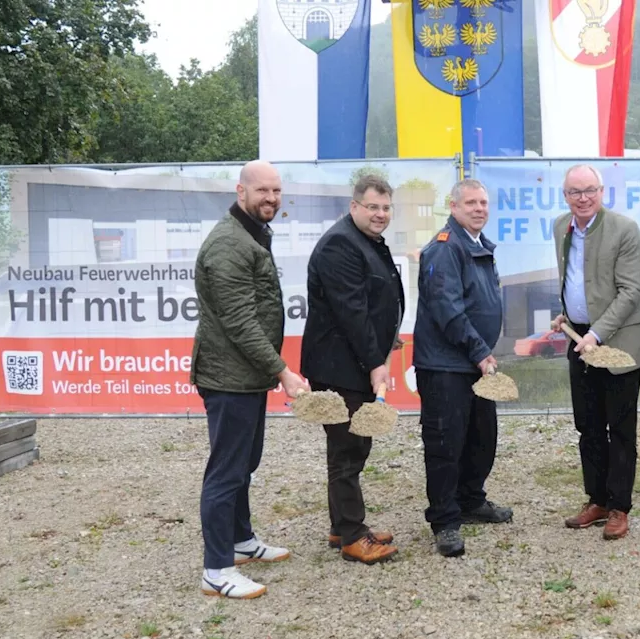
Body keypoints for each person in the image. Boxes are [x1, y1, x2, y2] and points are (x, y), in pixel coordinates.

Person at [191, 160, 309, 599]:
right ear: (241, 191)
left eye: (277, 192)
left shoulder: (251, 234)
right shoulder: (228, 244)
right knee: (225, 471)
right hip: (227, 378)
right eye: (263, 191)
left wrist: (269, 372)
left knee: (245, 463)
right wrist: (282, 372)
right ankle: (216, 569)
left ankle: (240, 541)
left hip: (246, 375)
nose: (271, 199)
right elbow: (240, 321)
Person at [300, 174, 403, 566]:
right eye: (372, 206)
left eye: (386, 207)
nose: (380, 214)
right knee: (347, 448)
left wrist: (386, 337)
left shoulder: (365, 240)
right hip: (339, 366)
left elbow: (374, 302)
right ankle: (352, 535)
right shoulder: (341, 244)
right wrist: (376, 364)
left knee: (354, 445)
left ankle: (342, 525)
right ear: (354, 206)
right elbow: (351, 312)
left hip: (355, 359)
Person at [551, 164, 640, 541]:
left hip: (618, 347)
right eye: (575, 192)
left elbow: (630, 293)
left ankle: (619, 507)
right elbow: (576, 281)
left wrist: (595, 334)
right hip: (579, 343)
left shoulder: (625, 230)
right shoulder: (561, 227)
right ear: (565, 196)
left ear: (601, 191)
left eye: (589, 190)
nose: (583, 198)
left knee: (621, 430)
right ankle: (596, 499)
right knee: (588, 426)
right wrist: (569, 316)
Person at [413, 178, 512, 557]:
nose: (479, 208)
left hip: (474, 363)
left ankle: (471, 500)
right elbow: (447, 309)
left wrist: (481, 354)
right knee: (445, 444)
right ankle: (445, 520)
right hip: (446, 366)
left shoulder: (478, 245)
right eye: (470, 202)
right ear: (453, 207)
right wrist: (478, 350)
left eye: (483, 202)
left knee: (481, 437)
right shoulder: (444, 248)